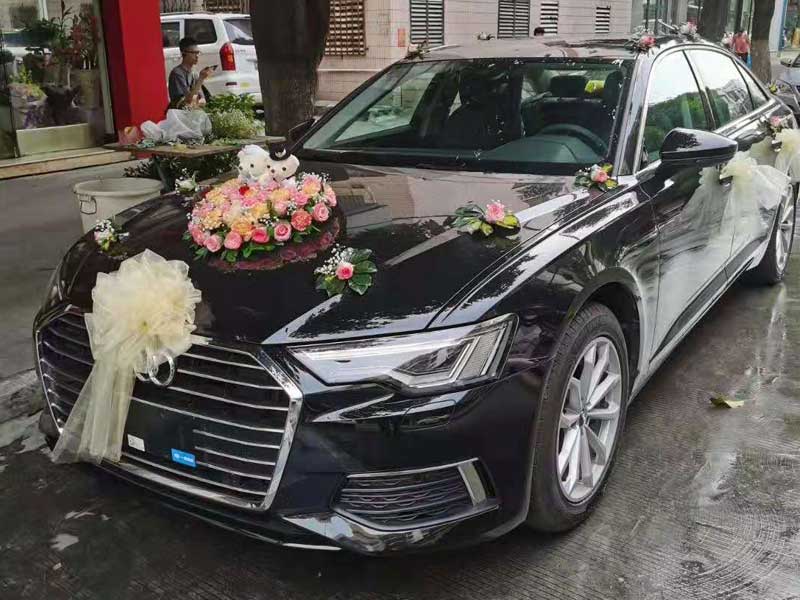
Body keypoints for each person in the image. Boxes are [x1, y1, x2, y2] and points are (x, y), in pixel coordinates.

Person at [168, 37, 215, 109]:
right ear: (184, 53)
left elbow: (202, 100)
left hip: (193, 112)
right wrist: (201, 79)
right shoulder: (177, 74)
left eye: (198, 53)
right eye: (194, 53)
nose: (197, 56)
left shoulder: (194, 73)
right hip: (180, 113)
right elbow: (187, 102)